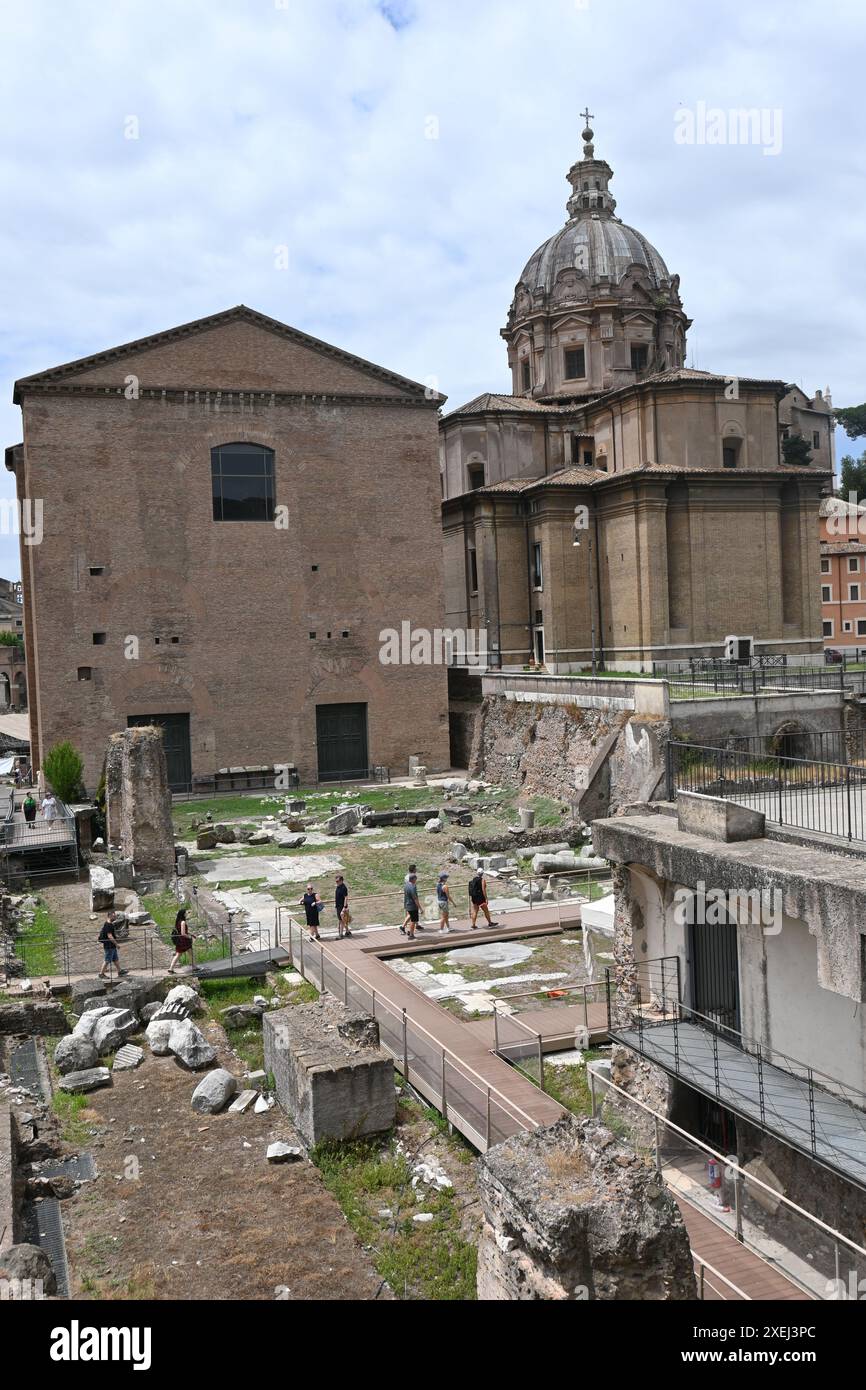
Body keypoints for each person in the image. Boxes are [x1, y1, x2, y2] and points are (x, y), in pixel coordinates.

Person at [98, 910, 126, 979]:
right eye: (114, 916)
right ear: (110, 915)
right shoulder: (108, 925)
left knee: (115, 959)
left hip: (111, 946)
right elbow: (110, 936)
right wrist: (116, 944)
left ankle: (120, 971)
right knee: (107, 960)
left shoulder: (109, 924)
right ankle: (101, 974)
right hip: (109, 946)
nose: (115, 917)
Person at [400, 863, 425, 935]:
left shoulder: (407, 879)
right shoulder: (411, 882)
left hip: (409, 898)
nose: (416, 870)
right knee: (411, 916)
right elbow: (414, 895)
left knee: (412, 915)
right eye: (415, 869)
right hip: (411, 900)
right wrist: (420, 907)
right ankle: (409, 931)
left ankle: (414, 926)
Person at [169, 907, 195, 973]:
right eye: (186, 913)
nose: (187, 914)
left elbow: (180, 931)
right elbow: (183, 933)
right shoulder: (183, 922)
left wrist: (191, 934)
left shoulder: (178, 921)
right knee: (191, 953)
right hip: (184, 941)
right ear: (183, 914)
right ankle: (194, 967)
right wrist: (189, 937)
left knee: (178, 954)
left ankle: (171, 968)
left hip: (180, 941)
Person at [402, 872, 420, 940]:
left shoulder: (406, 885)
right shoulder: (413, 886)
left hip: (408, 904)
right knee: (413, 920)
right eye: (416, 879)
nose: (416, 880)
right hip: (413, 906)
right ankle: (411, 935)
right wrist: (420, 907)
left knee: (411, 918)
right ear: (413, 879)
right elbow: (415, 898)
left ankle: (409, 931)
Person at [335, 874, 352, 939]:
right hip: (338, 906)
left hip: (342, 907)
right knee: (342, 920)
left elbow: (346, 897)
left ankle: (341, 934)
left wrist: (344, 908)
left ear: (341, 881)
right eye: (336, 881)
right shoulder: (338, 887)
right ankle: (347, 932)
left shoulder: (343, 888)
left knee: (341, 920)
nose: (337, 882)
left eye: (338, 881)